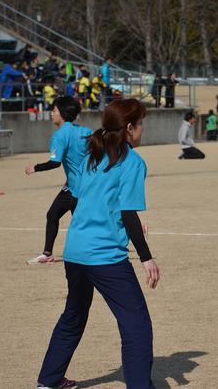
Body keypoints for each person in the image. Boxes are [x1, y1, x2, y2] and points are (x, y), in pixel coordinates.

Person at [36, 99, 160, 389]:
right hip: (104, 256)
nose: (142, 131)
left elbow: (85, 200)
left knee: (74, 315)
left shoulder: (93, 154)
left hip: (75, 250)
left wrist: (112, 217)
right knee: (136, 325)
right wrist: (146, 257)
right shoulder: (132, 162)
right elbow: (128, 213)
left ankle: (49, 380)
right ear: (129, 128)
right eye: (140, 125)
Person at [25, 97, 91, 264]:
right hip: (83, 185)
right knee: (54, 214)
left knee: (81, 223)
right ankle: (47, 253)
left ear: (61, 113)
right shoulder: (86, 131)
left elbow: (55, 162)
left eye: (54, 111)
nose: (51, 114)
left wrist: (35, 167)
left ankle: (131, 231)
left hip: (77, 188)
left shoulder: (60, 135)